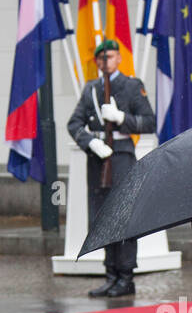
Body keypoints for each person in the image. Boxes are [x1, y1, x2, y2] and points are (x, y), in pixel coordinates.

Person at [67, 39, 156, 297]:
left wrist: (122, 119)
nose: (106, 62)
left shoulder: (131, 86)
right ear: (97, 61)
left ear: (118, 59)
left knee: (123, 216)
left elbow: (149, 122)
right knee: (102, 217)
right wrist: (90, 142)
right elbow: (74, 124)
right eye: (101, 58)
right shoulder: (91, 89)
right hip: (98, 159)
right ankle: (110, 274)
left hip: (121, 157)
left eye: (111, 57)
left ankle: (126, 276)